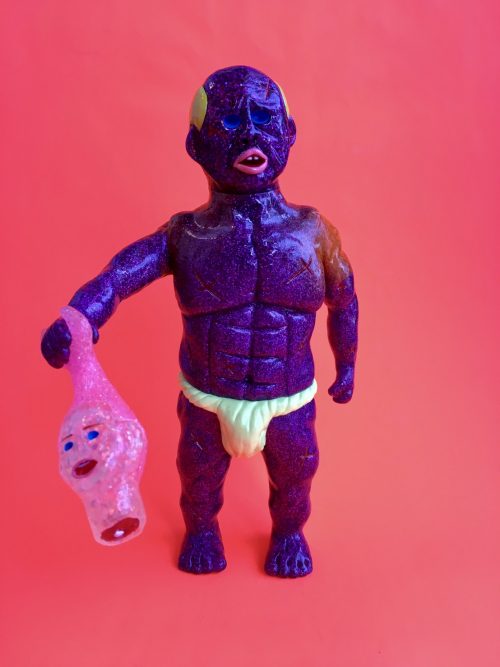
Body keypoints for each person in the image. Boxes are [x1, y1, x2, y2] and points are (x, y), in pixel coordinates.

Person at [41, 65, 358, 578]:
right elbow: (119, 276)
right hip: (208, 396)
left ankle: (288, 534)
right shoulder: (185, 236)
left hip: (288, 396)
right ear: (195, 145)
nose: (250, 133)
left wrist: (348, 366)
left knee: (297, 476)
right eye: (230, 122)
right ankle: (202, 531)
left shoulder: (313, 232)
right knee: (198, 478)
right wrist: (80, 316)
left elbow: (344, 300)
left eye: (264, 119)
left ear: (289, 134)